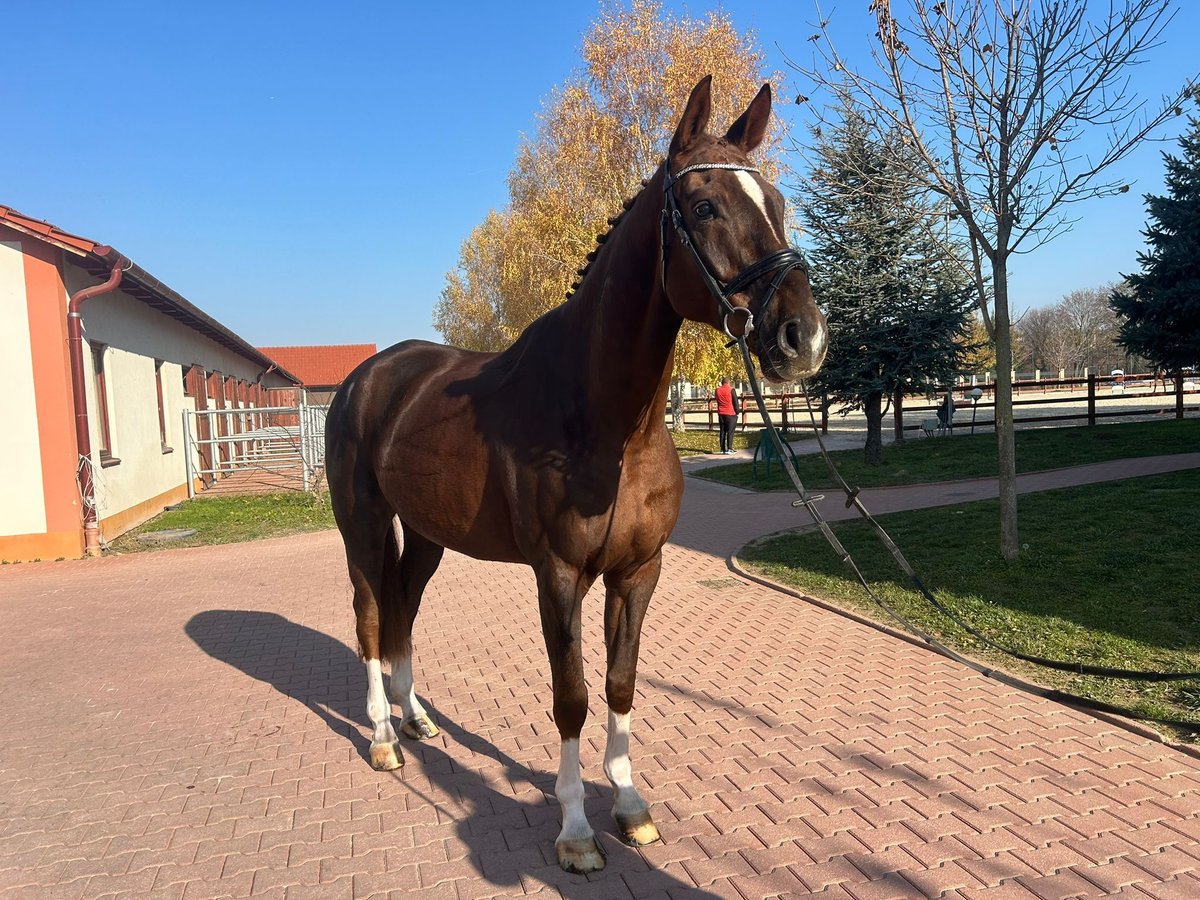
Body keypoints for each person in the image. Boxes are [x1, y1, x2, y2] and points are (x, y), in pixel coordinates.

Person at [715, 377, 740, 454]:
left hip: (721, 413)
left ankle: (722, 449)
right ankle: (729, 448)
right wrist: (737, 411)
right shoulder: (731, 390)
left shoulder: (717, 390)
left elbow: (717, 400)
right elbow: (735, 402)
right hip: (730, 413)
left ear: (722, 383)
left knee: (722, 431)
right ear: (728, 382)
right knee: (730, 431)